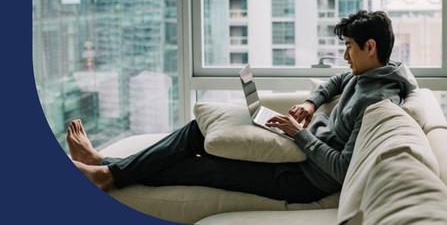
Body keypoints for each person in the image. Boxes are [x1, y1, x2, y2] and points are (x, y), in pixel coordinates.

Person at [69, 10, 417, 203]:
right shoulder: (367, 74)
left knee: (197, 166)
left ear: (370, 46)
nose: (345, 56)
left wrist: (299, 135)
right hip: (298, 148)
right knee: (198, 130)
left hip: (301, 178)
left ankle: (106, 171)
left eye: (350, 48)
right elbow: (338, 82)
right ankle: (106, 167)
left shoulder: (377, 100)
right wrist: (311, 104)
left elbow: (343, 169)